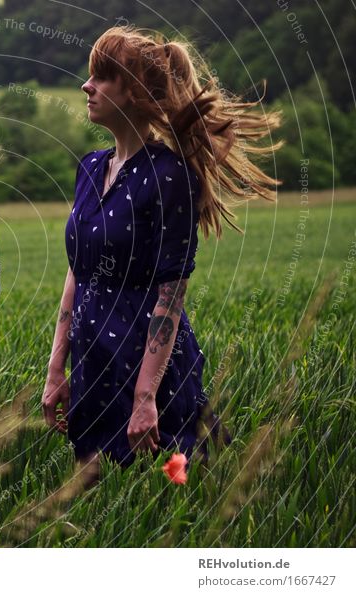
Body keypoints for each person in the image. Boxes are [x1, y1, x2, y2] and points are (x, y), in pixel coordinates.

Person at [41, 26, 280, 471]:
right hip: (93, 358)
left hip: (146, 366)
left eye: (101, 77)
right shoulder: (90, 168)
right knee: (97, 498)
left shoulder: (170, 176)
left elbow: (171, 293)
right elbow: (78, 271)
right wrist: (58, 368)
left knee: (168, 493)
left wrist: (145, 398)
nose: (86, 85)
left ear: (133, 92)